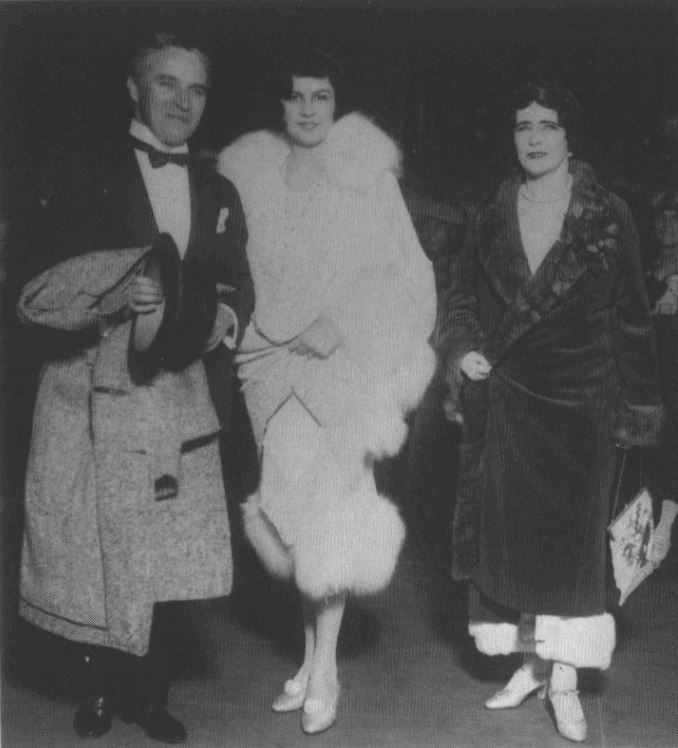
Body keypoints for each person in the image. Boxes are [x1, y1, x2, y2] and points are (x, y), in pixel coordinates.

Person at [15, 28, 253, 743]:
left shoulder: (219, 190)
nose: (182, 102)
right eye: (166, 84)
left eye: (197, 89)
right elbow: (36, 284)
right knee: (93, 547)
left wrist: (221, 321)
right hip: (89, 392)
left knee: (162, 548)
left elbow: (237, 283)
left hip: (177, 394)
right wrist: (114, 298)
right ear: (134, 88)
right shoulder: (81, 173)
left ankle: (150, 696)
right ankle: (95, 690)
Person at [217, 49, 436, 735]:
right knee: (290, 516)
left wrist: (340, 324)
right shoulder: (248, 174)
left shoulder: (368, 176)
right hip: (268, 367)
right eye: (296, 96)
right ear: (278, 104)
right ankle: (311, 657)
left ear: (339, 103)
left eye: (321, 96)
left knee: (332, 518)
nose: (308, 109)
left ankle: (327, 672)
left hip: (341, 368)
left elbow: (406, 277)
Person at [439, 79, 663, 743]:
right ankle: (532, 666)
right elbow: (461, 299)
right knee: (515, 551)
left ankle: (564, 679)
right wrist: (462, 349)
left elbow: (632, 318)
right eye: (523, 125)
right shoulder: (491, 211)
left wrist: (639, 409)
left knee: (572, 558)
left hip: (583, 410)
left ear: (570, 135)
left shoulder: (608, 214)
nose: (534, 138)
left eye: (548, 125)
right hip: (509, 405)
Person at [645, 189, 678, 567]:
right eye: (662, 218)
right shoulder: (648, 265)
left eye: (675, 217)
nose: (667, 224)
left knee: (672, 442)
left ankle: (665, 527)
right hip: (650, 367)